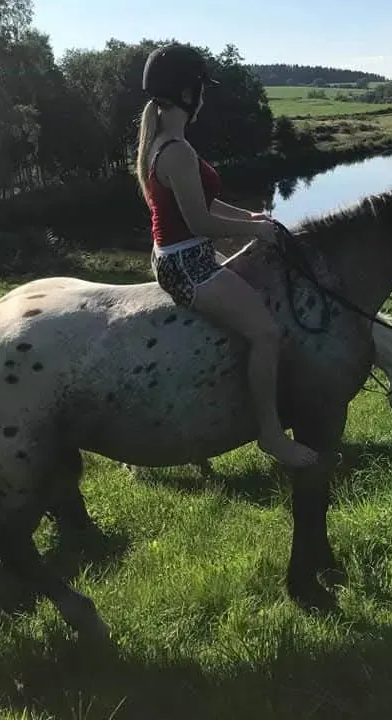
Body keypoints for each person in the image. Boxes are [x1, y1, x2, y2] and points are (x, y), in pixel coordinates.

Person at [135, 43, 318, 469]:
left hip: (180, 254)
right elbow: (199, 222)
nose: (204, 96)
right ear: (186, 93)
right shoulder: (177, 151)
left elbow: (205, 205)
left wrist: (252, 215)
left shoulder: (169, 142)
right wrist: (255, 230)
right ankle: (271, 436)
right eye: (201, 88)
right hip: (187, 263)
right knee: (266, 332)